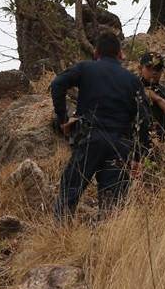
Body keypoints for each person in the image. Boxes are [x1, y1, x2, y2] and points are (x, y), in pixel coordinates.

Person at [51, 32, 152, 220]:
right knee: (112, 204)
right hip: (120, 146)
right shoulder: (132, 80)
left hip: (91, 139)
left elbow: (57, 84)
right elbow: (144, 118)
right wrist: (138, 156)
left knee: (70, 191)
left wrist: (62, 118)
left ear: (96, 52)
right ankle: (107, 245)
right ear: (120, 54)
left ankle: (58, 238)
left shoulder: (86, 68)